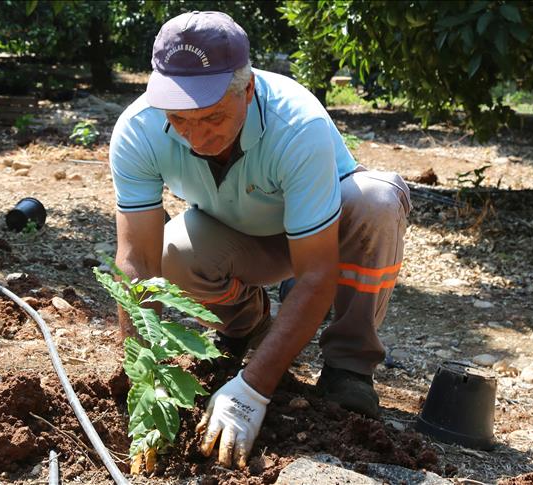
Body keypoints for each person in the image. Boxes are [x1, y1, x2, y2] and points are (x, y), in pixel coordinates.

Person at [108, 11, 411, 469]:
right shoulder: (139, 129)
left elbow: (317, 272)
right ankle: (246, 323)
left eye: (212, 116)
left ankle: (349, 365)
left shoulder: (297, 123)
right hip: (239, 235)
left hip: (324, 237)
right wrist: (142, 376)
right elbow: (137, 259)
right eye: (179, 119)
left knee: (377, 203)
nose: (196, 136)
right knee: (170, 253)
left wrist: (253, 390)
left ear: (246, 90)